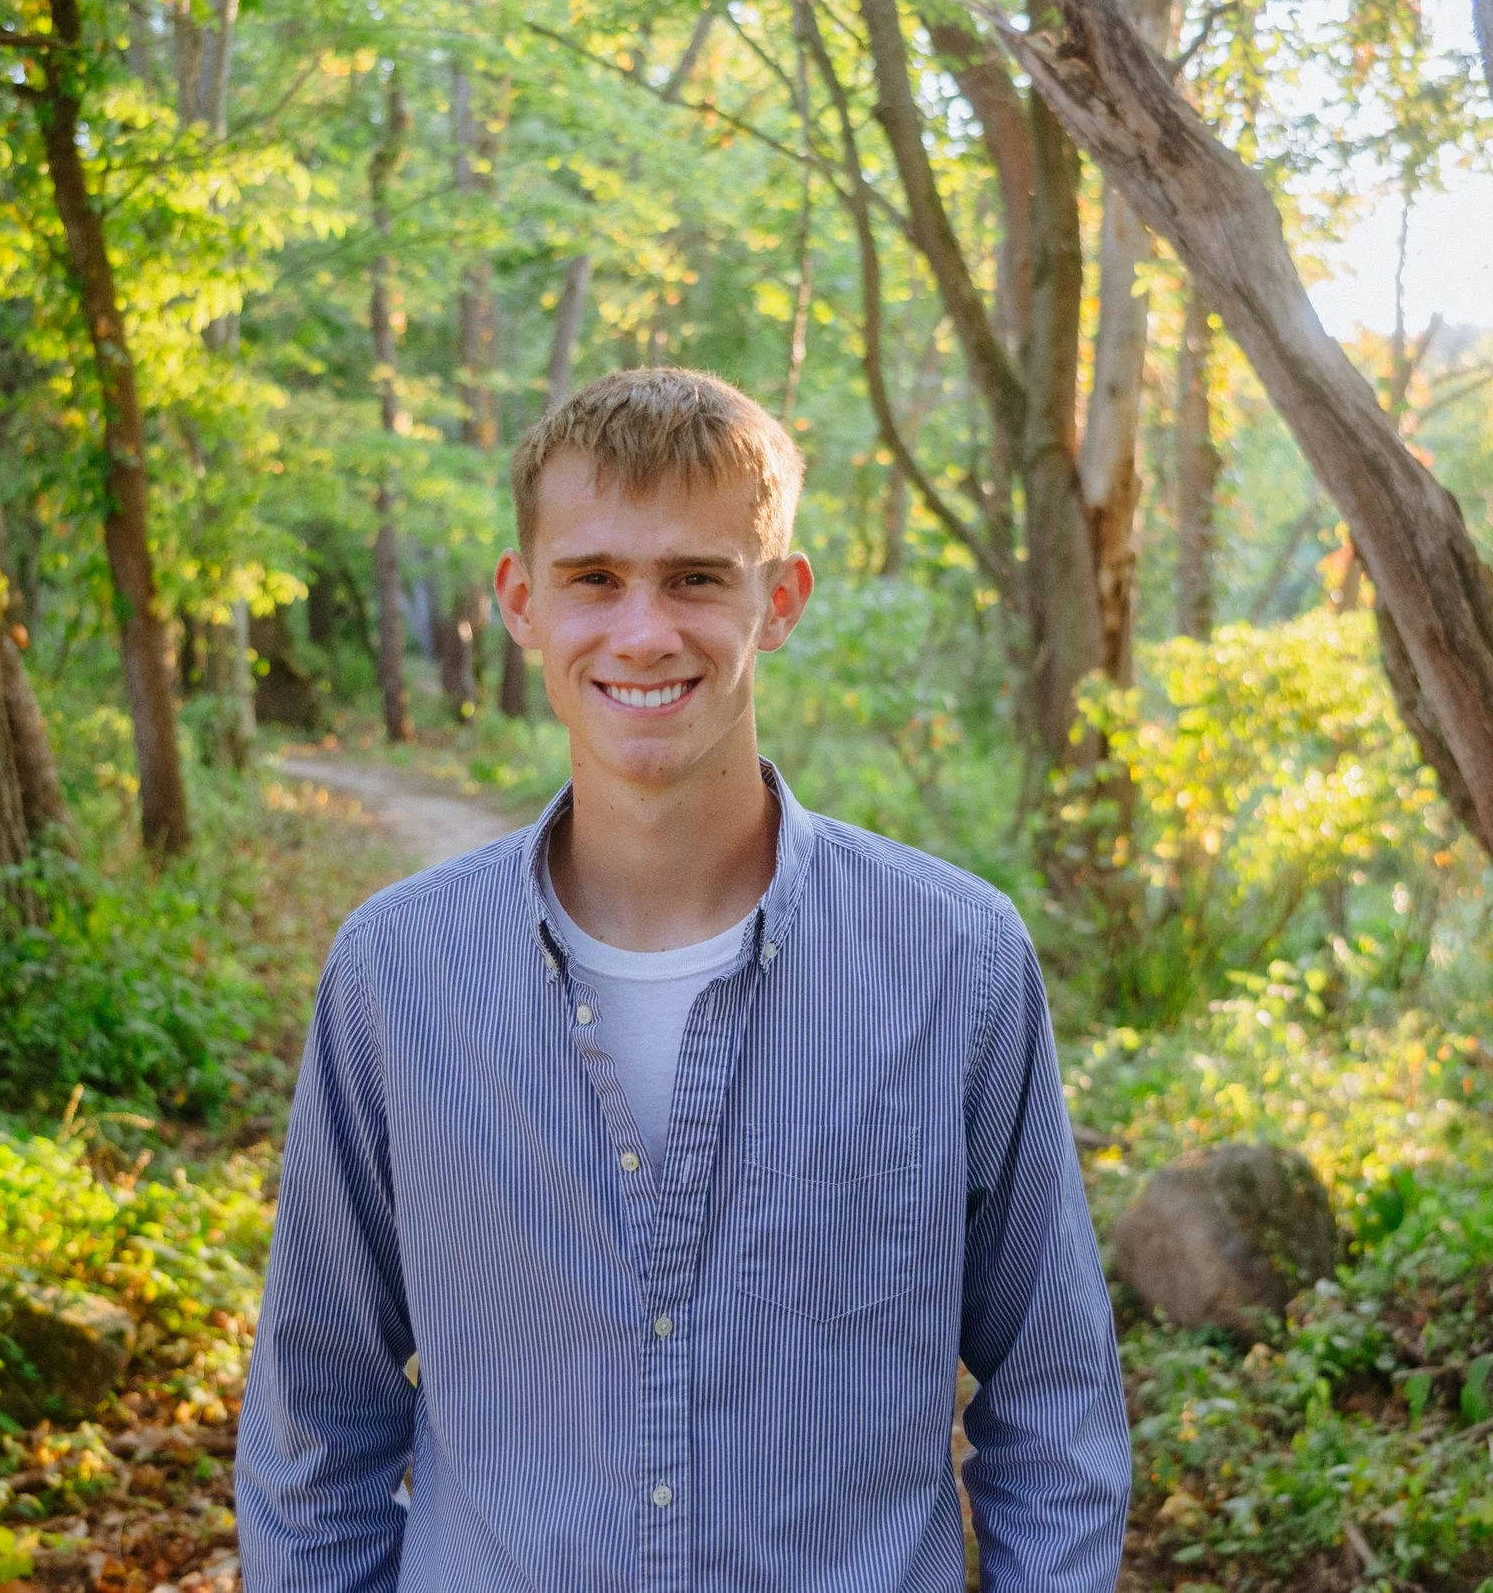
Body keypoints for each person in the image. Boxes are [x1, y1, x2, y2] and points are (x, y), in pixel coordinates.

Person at [235, 368, 1130, 1592]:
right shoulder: (397, 974)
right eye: (594, 576)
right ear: (521, 601)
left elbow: (1055, 1405)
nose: (643, 629)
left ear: (781, 600)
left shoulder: (956, 962)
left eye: (696, 577)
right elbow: (314, 1423)